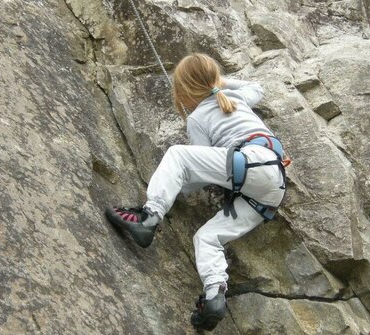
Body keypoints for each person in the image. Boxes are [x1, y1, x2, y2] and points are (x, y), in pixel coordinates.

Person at [105, 53, 287, 331]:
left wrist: (176, 188)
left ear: (183, 92)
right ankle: (214, 293)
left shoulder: (198, 119)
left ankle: (150, 215)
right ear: (215, 80)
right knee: (207, 237)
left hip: (248, 164)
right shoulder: (237, 99)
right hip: (271, 186)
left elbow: (194, 176)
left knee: (178, 155)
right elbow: (257, 88)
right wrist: (221, 83)